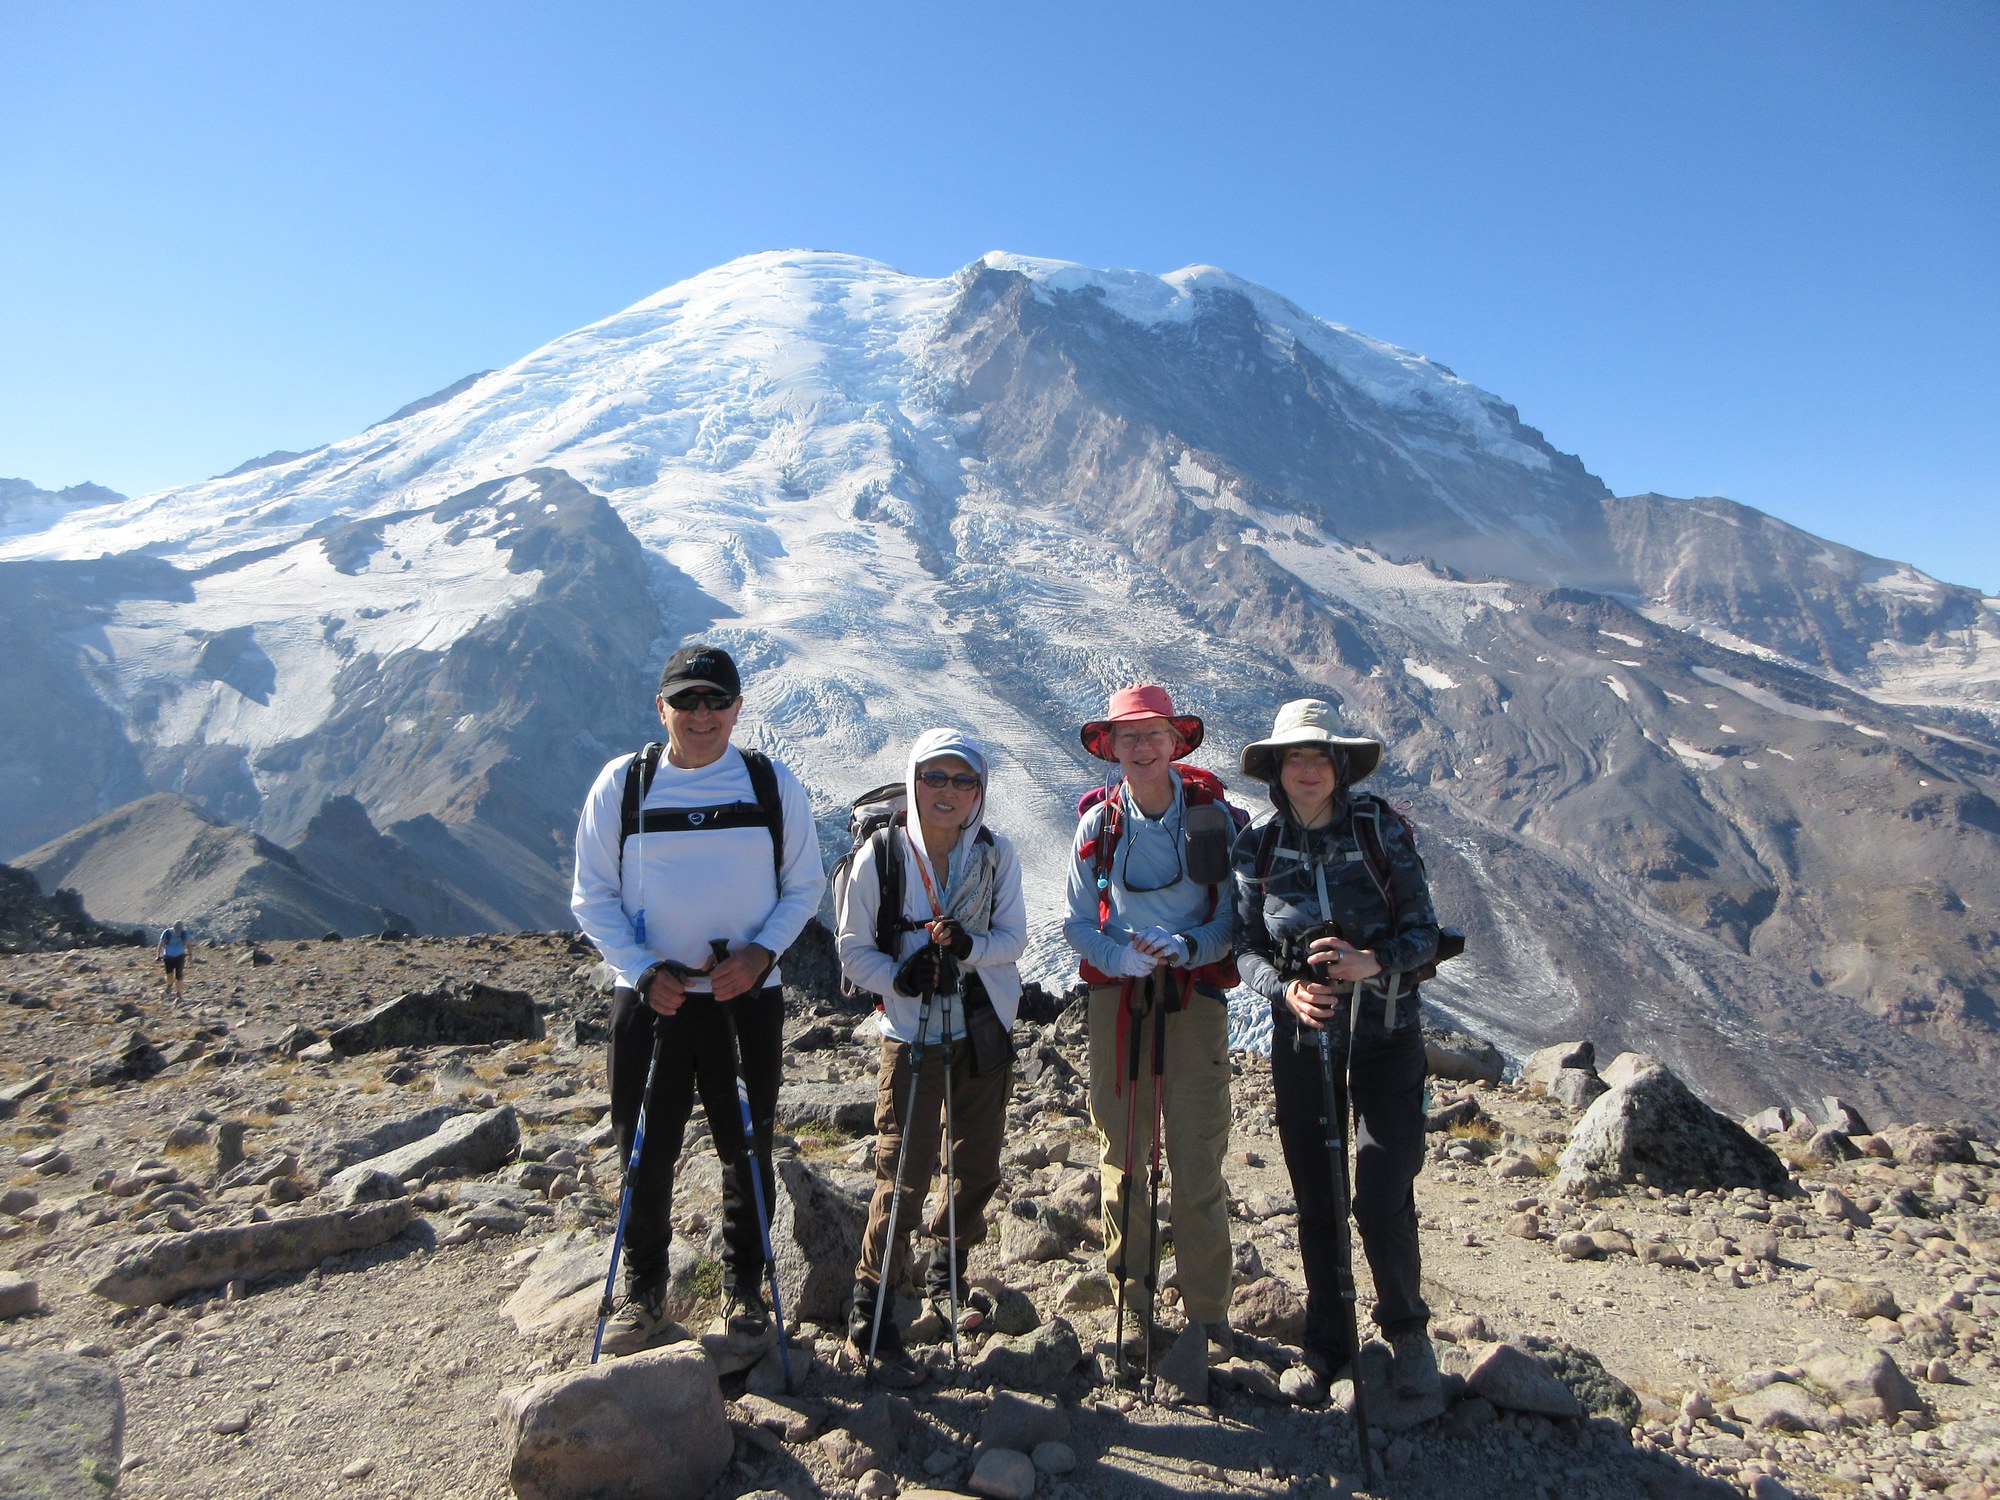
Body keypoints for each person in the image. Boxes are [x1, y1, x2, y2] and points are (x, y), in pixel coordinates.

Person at [571, 643, 827, 1357]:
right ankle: (644, 1292)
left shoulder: (770, 783)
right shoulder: (624, 784)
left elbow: (804, 885)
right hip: (652, 1000)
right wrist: (640, 969)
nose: (702, 714)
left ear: (738, 708)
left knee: (746, 1146)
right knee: (643, 1148)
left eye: (717, 700)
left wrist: (760, 956)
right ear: (662, 708)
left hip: (745, 996)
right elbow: (591, 895)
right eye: (687, 700)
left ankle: (745, 1290)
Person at [1232, 698, 1441, 1397]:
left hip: (1386, 1033)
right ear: (1276, 769)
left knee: (1382, 1190)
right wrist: (1283, 989)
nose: (1308, 769)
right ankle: (1328, 1345)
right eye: (1295, 757)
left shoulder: (1378, 830)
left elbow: (1425, 933)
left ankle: (1406, 1331)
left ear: (1339, 766)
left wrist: (1371, 962)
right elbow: (1244, 947)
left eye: (1320, 756)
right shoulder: (1258, 847)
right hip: (1305, 1037)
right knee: (1317, 1196)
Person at [836, 729, 1027, 1386]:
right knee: (903, 1174)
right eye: (935, 777)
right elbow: (852, 949)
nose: (948, 792)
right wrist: (901, 978)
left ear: (979, 790)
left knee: (977, 1165)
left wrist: (968, 948)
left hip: (983, 1027)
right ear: (914, 782)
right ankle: (871, 1312)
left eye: (962, 780)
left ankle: (948, 1274)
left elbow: (1013, 938)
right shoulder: (883, 856)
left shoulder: (997, 856)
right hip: (911, 1034)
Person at [1062, 684, 1239, 1367]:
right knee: (1125, 1155)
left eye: (1153, 734)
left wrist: (1188, 947)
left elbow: (1233, 919)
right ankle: (1130, 1308)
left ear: (1175, 742)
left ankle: (1207, 1317)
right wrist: (1119, 957)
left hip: (1192, 993)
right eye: (1128, 736)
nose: (1141, 747)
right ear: (1111, 747)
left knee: (1196, 1157)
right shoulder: (1097, 827)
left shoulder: (1212, 821)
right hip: (1122, 997)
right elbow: (1078, 922)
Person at [157, 922, 188, 995]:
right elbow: (161, 944)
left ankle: (178, 992)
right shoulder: (167, 932)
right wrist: (158, 955)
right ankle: (169, 984)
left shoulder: (184, 933)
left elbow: (188, 944)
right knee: (169, 974)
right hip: (168, 957)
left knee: (179, 975)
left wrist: (190, 955)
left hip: (180, 956)